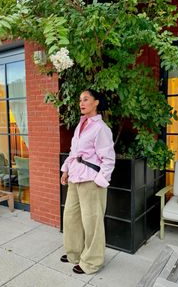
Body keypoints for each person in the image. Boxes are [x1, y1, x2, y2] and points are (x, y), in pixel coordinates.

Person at [60, 89, 115, 275]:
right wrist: (66, 169)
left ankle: (92, 262)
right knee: (70, 217)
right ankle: (74, 253)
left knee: (92, 222)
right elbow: (73, 151)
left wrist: (99, 181)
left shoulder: (101, 129)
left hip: (91, 180)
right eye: (80, 100)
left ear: (96, 102)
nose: (81, 103)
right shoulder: (80, 125)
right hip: (75, 177)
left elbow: (109, 159)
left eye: (86, 99)